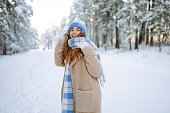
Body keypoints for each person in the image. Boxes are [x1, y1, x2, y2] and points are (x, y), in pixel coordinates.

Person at [54, 21, 105, 113]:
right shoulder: (69, 49)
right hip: (71, 93)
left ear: (82, 33)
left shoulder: (89, 47)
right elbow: (58, 62)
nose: (74, 32)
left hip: (87, 95)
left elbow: (96, 71)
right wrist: (62, 41)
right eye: (72, 30)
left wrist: (85, 48)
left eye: (78, 30)